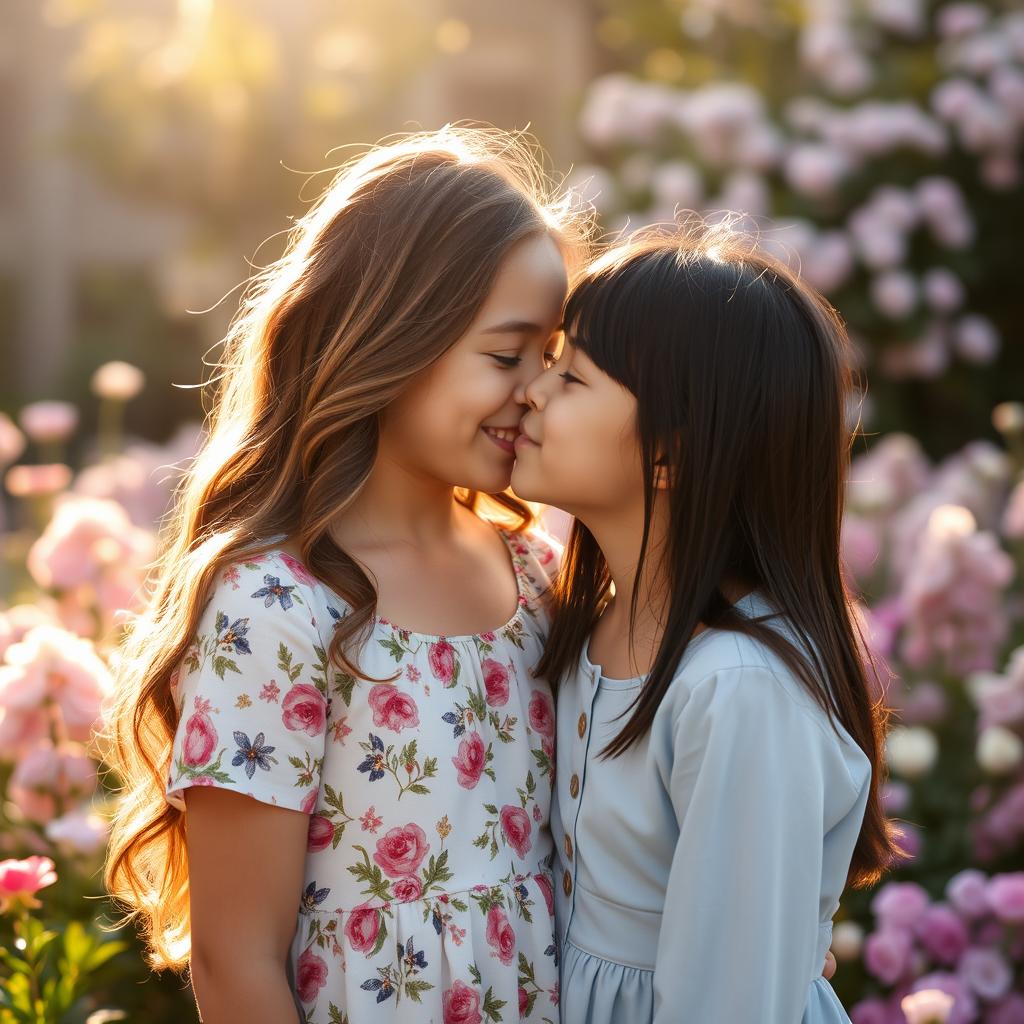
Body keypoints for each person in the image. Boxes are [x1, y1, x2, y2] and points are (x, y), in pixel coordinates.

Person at [102, 126, 585, 1024]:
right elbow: (233, 958)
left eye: (551, 359)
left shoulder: (534, 571)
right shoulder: (276, 607)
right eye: (504, 354)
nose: (536, 392)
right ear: (391, 337)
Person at [510, 226, 897, 1024]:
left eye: (573, 376)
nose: (533, 393)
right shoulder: (591, 628)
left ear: (669, 452)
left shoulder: (738, 691)